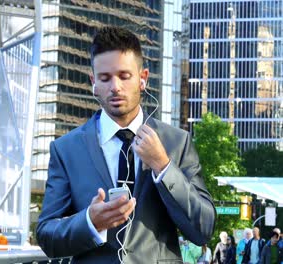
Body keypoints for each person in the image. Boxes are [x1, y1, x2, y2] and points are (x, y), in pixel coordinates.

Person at [36, 26, 216, 263]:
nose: (115, 87)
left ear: (143, 79)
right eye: (105, 78)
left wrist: (163, 166)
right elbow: (46, 236)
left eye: (124, 76)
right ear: (93, 82)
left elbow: (203, 229)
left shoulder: (176, 142)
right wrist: (90, 222)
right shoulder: (66, 149)